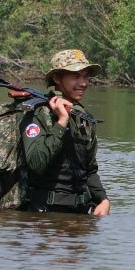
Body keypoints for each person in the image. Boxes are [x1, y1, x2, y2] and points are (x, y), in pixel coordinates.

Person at [20, 49, 111, 216]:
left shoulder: (83, 119)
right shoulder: (38, 114)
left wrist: (103, 199)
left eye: (85, 76)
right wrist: (62, 122)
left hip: (79, 215)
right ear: (57, 78)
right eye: (76, 76)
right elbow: (36, 163)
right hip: (43, 216)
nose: (83, 83)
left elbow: (89, 169)